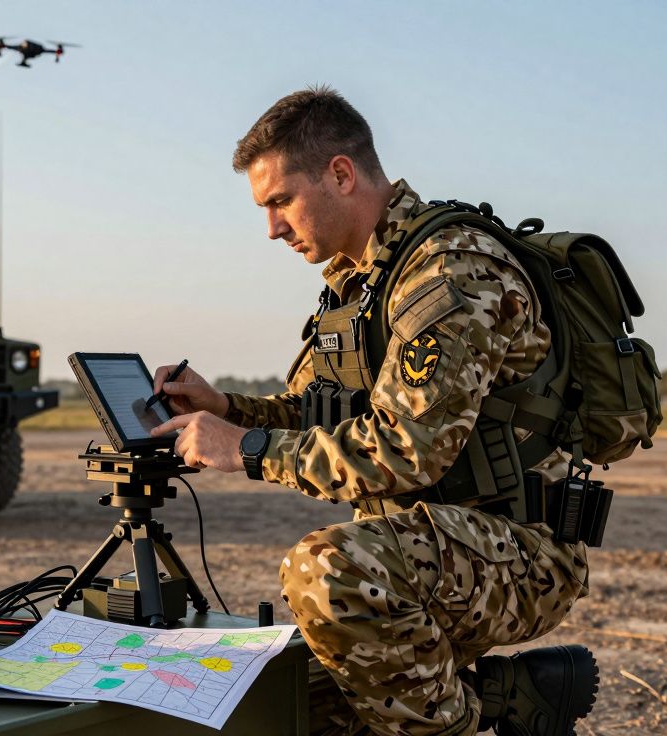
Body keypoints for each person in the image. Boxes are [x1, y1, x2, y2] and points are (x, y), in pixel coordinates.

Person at [149, 86, 597, 736]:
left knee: (328, 571)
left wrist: (243, 448)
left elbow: (405, 449)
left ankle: (470, 714)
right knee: (280, 706)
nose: (272, 228)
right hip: (423, 551)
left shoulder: (449, 272)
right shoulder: (359, 284)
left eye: (281, 201)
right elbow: (318, 414)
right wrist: (225, 408)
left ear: (340, 174)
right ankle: (512, 697)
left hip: (518, 550)